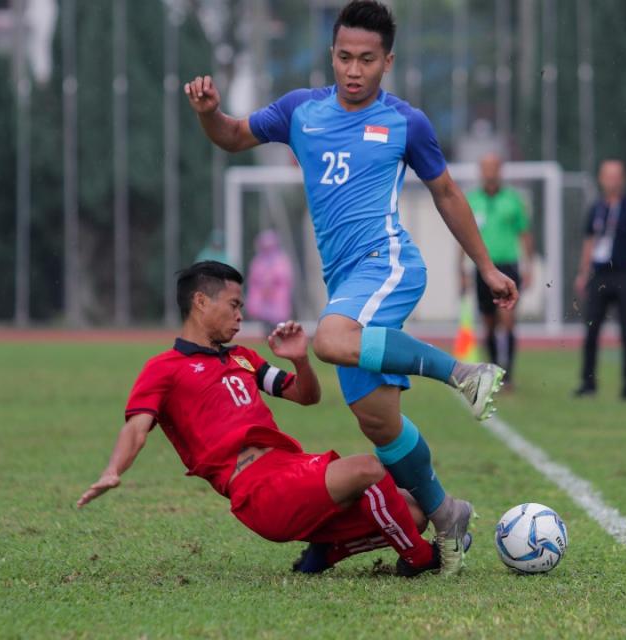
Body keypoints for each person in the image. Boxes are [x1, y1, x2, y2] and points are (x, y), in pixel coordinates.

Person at [185, 0, 518, 574]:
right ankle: (446, 515)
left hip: (388, 262)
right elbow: (234, 137)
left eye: (367, 59)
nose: (353, 70)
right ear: (332, 55)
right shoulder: (300, 112)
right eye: (344, 57)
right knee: (376, 418)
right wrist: (209, 114)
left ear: (387, 61)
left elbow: (445, 193)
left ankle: (464, 373)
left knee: (331, 340)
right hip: (345, 280)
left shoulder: (405, 122)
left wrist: (486, 267)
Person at [76, 261, 448, 577]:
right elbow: (136, 427)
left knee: (412, 514)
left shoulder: (242, 358)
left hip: (289, 469)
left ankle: (329, 551)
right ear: (201, 302)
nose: (241, 316)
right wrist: (113, 470)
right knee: (368, 467)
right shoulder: (164, 369)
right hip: (259, 492)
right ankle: (420, 558)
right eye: (234, 305)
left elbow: (307, 397)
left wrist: (300, 360)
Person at [573, 159, 626, 401]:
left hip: (624, 274)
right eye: (607, 175)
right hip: (600, 274)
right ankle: (588, 384)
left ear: (623, 178)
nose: (612, 180)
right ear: (601, 178)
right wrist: (583, 272)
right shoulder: (596, 207)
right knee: (591, 330)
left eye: (616, 175)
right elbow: (589, 241)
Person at [460, 153, 534, 387]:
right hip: (482, 268)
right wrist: (460, 270)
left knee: (508, 319)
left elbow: (524, 234)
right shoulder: (471, 200)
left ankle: (509, 373)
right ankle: (494, 370)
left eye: (493, 168)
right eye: (485, 168)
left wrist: (528, 265)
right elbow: (462, 236)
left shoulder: (513, 200)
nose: (489, 172)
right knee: (489, 323)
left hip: (508, 266)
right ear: (481, 172)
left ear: (500, 170)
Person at [246, 230, 295, 333]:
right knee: (265, 322)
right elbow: (254, 279)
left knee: (278, 322)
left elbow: (285, 278)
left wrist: (272, 284)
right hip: (264, 297)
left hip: (277, 297)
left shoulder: (281, 260)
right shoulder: (258, 260)